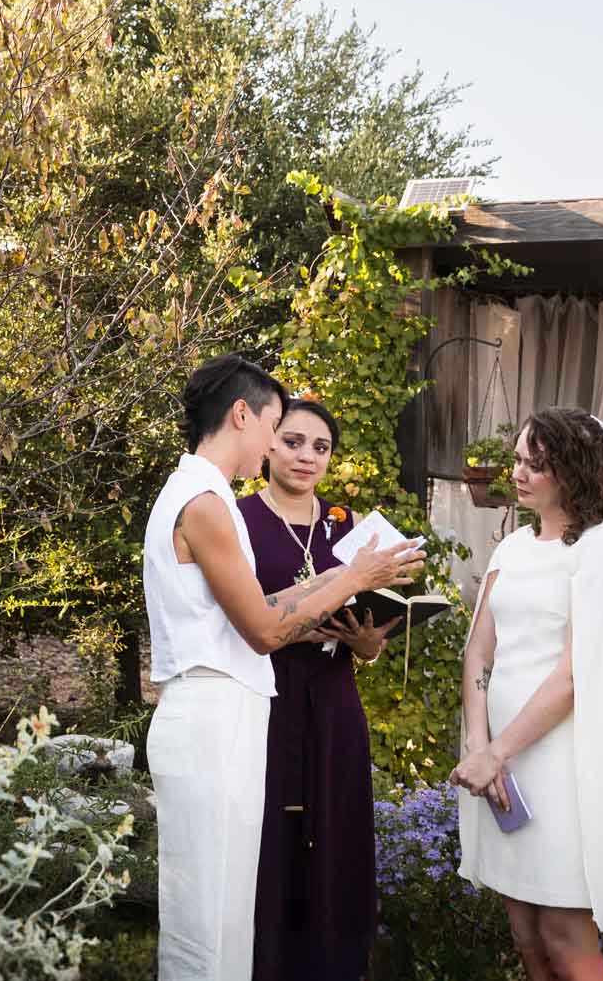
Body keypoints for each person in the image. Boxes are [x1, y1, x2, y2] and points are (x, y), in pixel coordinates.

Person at [144, 355, 425, 981]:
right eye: (275, 428)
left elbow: (263, 605)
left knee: (225, 918)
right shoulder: (208, 504)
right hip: (212, 715)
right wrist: (353, 576)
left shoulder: (202, 493)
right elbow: (266, 629)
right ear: (241, 415)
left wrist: (342, 580)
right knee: (208, 928)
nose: (277, 445)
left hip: (226, 711)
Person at [452, 409, 603, 981]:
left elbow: (575, 675)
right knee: (525, 931)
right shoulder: (511, 548)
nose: (520, 473)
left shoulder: (602, 550)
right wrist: (479, 748)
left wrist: (497, 751)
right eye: (517, 460)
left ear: (575, 471)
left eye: (538, 463)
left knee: (564, 936)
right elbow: (478, 652)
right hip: (500, 765)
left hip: (559, 764)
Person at [236, 394, 397, 981]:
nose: (307, 456)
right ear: (269, 444)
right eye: (294, 441)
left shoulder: (347, 527)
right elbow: (241, 620)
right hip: (268, 699)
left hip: (334, 705)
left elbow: (373, 641)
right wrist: (296, 629)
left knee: (336, 836)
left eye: (321, 447)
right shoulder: (239, 520)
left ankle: (334, 966)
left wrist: (365, 641)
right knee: (272, 839)